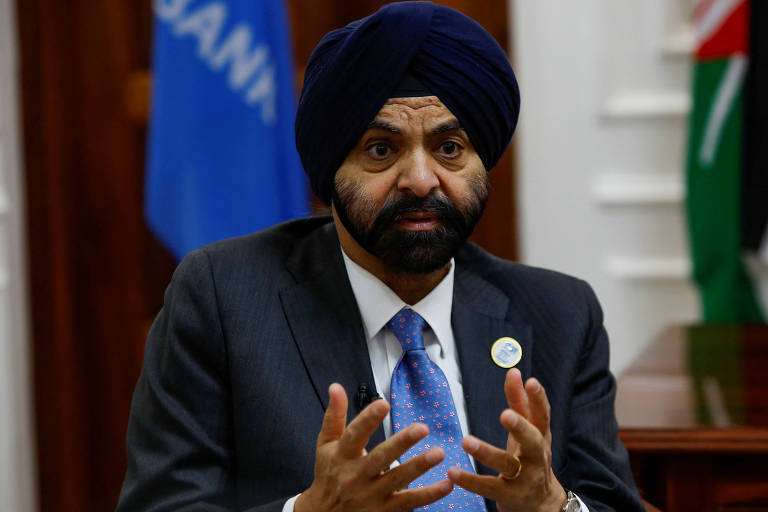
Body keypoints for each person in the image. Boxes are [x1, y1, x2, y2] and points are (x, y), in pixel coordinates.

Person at [117, 2, 645, 511]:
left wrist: (552, 506)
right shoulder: (223, 298)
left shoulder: (560, 314)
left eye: (450, 149)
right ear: (331, 172)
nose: (420, 180)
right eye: (380, 149)